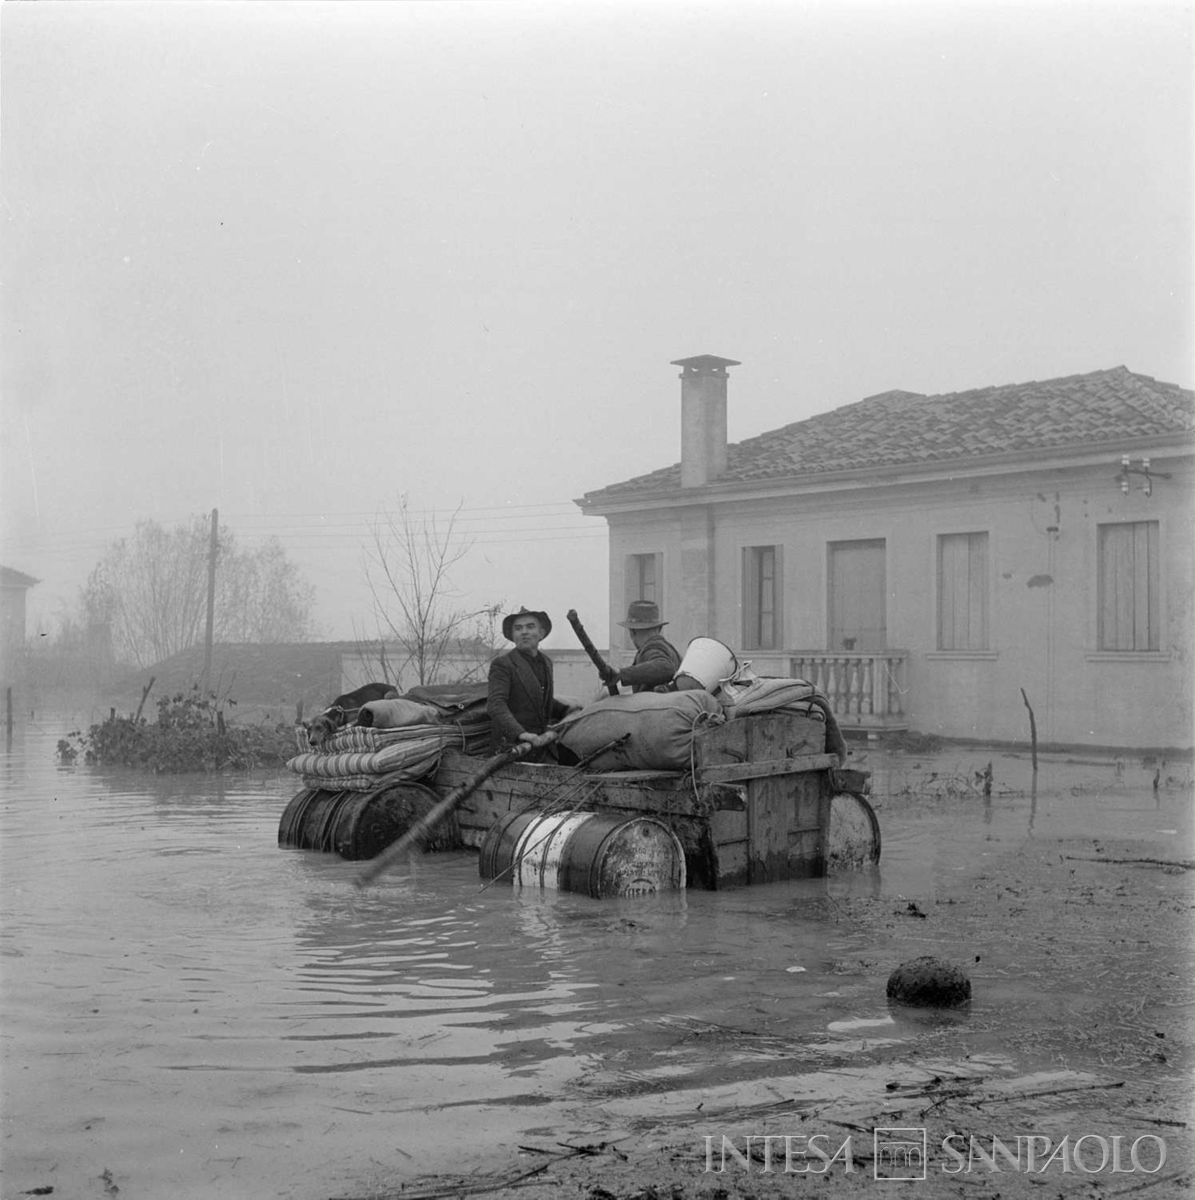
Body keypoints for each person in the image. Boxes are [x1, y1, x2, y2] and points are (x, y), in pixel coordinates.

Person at [487, 607, 574, 758]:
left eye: (530, 626)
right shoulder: (503, 664)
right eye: (518, 628)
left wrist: (568, 711)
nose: (524, 632)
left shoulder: (546, 662)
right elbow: (496, 704)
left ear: (541, 633)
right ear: (513, 635)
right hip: (510, 749)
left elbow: (539, 700)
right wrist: (521, 734)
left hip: (541, 746)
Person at [602, 600, 682, 693]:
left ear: (632, 632)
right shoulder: (672, 651)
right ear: (659, 629)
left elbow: (666, 667)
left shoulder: (652, 648)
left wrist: (621, 674)